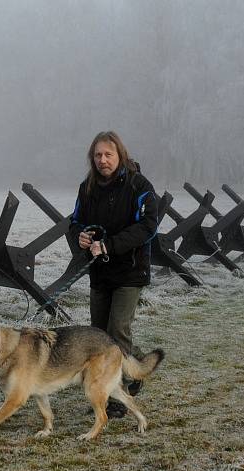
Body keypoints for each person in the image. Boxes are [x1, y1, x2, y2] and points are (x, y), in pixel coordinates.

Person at [68, 131, 158, 418]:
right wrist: (79, 237)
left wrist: (110, 244)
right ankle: (135, 365)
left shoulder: (139, 185)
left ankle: (118, 395)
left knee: (117, 331)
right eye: (97, 155)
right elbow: (75, 222)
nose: (102, 160)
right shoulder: (87, 187)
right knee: (100, 334)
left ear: (120, 154)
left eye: (108, 154)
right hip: (100, 271)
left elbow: (148, 226)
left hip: (130, 270)